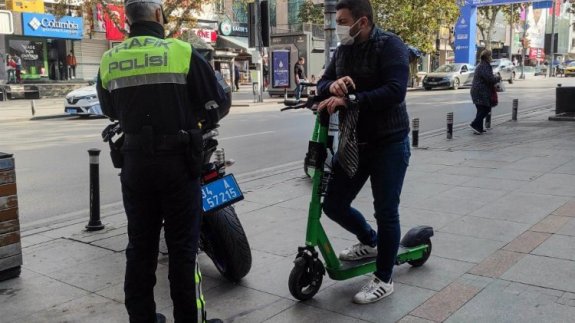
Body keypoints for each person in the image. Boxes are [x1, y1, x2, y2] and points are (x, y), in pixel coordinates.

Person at [95, 0, 229, 322]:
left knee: (140, 247)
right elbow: (217, 103)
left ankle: (142, 318)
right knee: (183, 248)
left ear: (126, 20)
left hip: (135, 166)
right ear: (158, 15)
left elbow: (110, 110)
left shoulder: (110, 58)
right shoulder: (181, 52)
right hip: (178, 165)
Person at [316, 0, 411, 305]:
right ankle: (370, 241)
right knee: (333, 204)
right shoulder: (343, 50)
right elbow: (322, 82)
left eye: (344, 21)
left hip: (389, 143)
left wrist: (352, 99)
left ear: (364, 22)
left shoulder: (391, 46)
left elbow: (396, 91)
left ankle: (384, 278)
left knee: (386, 211)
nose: (340, 27)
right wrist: (334, 86)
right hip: (354, 142)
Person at [470, 49, 500, 135]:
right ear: (487, 57)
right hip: (480, 91)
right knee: (486, 108)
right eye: (490, 56)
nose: (491, 58)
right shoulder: (485, 66)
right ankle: (474, 124)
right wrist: (498, 78)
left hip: (477, 90)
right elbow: (489, 79)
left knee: (480, 109)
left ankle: (478, 128)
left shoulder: (481, 65)